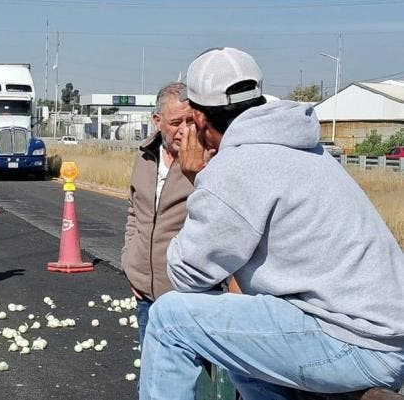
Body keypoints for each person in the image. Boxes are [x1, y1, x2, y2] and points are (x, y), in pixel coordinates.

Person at [139, 47, 404, 400]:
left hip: (356, 343)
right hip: (380, 334)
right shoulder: (303, 145)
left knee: (168, 320)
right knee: (238, 349)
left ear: (199, 119)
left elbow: (188, 273)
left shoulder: (237, 166)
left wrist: (199, 178)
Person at [121, 82, 194, 345]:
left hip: (188, 297)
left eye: (190, 120)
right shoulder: (144, 158)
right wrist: (131, 263)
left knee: (191, 381)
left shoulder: (207, 162)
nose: (184, 130)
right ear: (157, 120)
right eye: (176, 123)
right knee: (151, 376)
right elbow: (134, 212)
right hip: (145, 295)